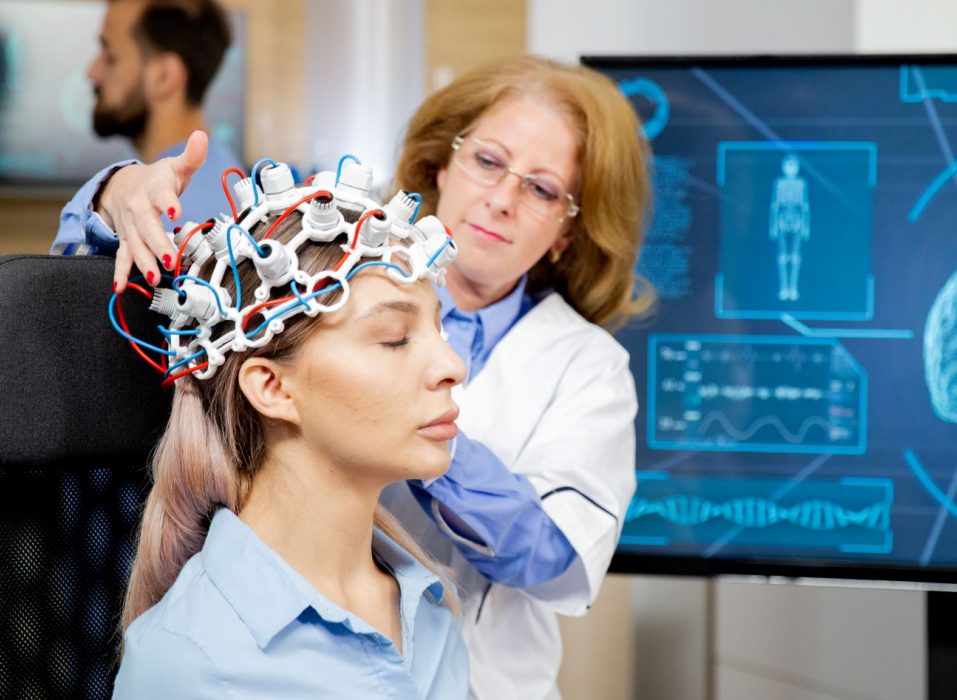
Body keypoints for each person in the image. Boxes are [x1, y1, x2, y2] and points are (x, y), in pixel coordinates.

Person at [78, 55, 652, 699]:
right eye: (488, 162)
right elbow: (184, 284)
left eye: (543, 189)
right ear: (440, 164)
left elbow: (555, 560)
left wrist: (418, 423)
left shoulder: (587, 369)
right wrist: (114, 195)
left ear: (567, 235)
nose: (501, 199)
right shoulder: (330, 259)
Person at [111, 197, 470, 697]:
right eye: (394, 338)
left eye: (440, 330)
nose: (454, 365)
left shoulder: (431, 611)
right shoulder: (191, 664)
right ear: (273, 389)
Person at [52, 0, 241, 256]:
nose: (92, 72)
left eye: (110, 55)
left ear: (164, 76)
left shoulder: (152, 218)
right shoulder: (229, 180)